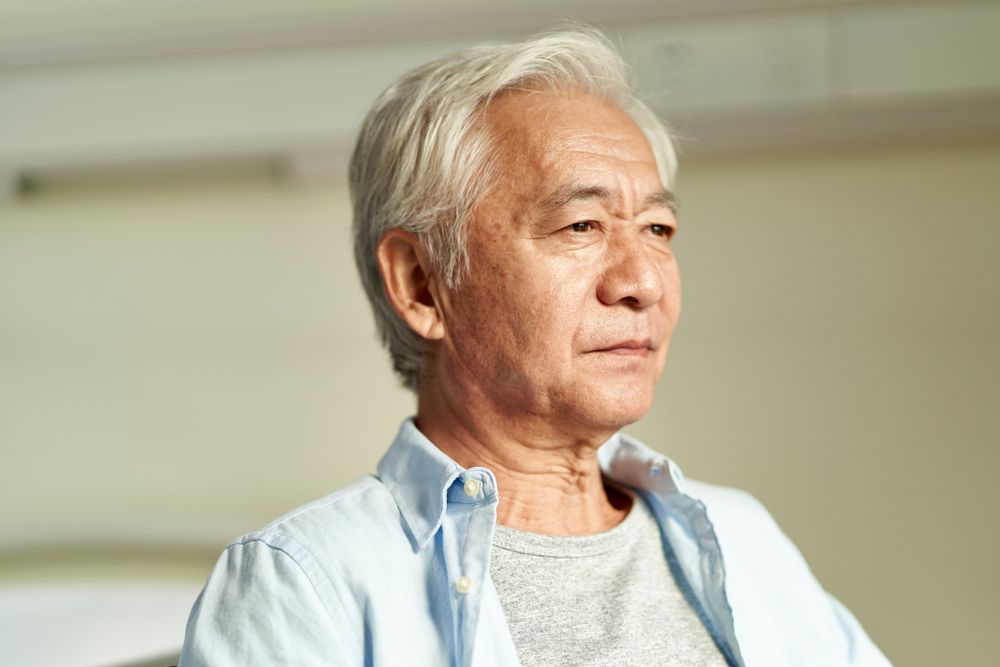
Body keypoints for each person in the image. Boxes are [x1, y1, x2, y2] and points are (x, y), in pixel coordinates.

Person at [179, 26, 891, 666]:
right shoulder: (304, 584)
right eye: (581, 226)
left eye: (657, 230)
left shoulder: (741, 536)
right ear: (422, 283)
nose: (643, 282)